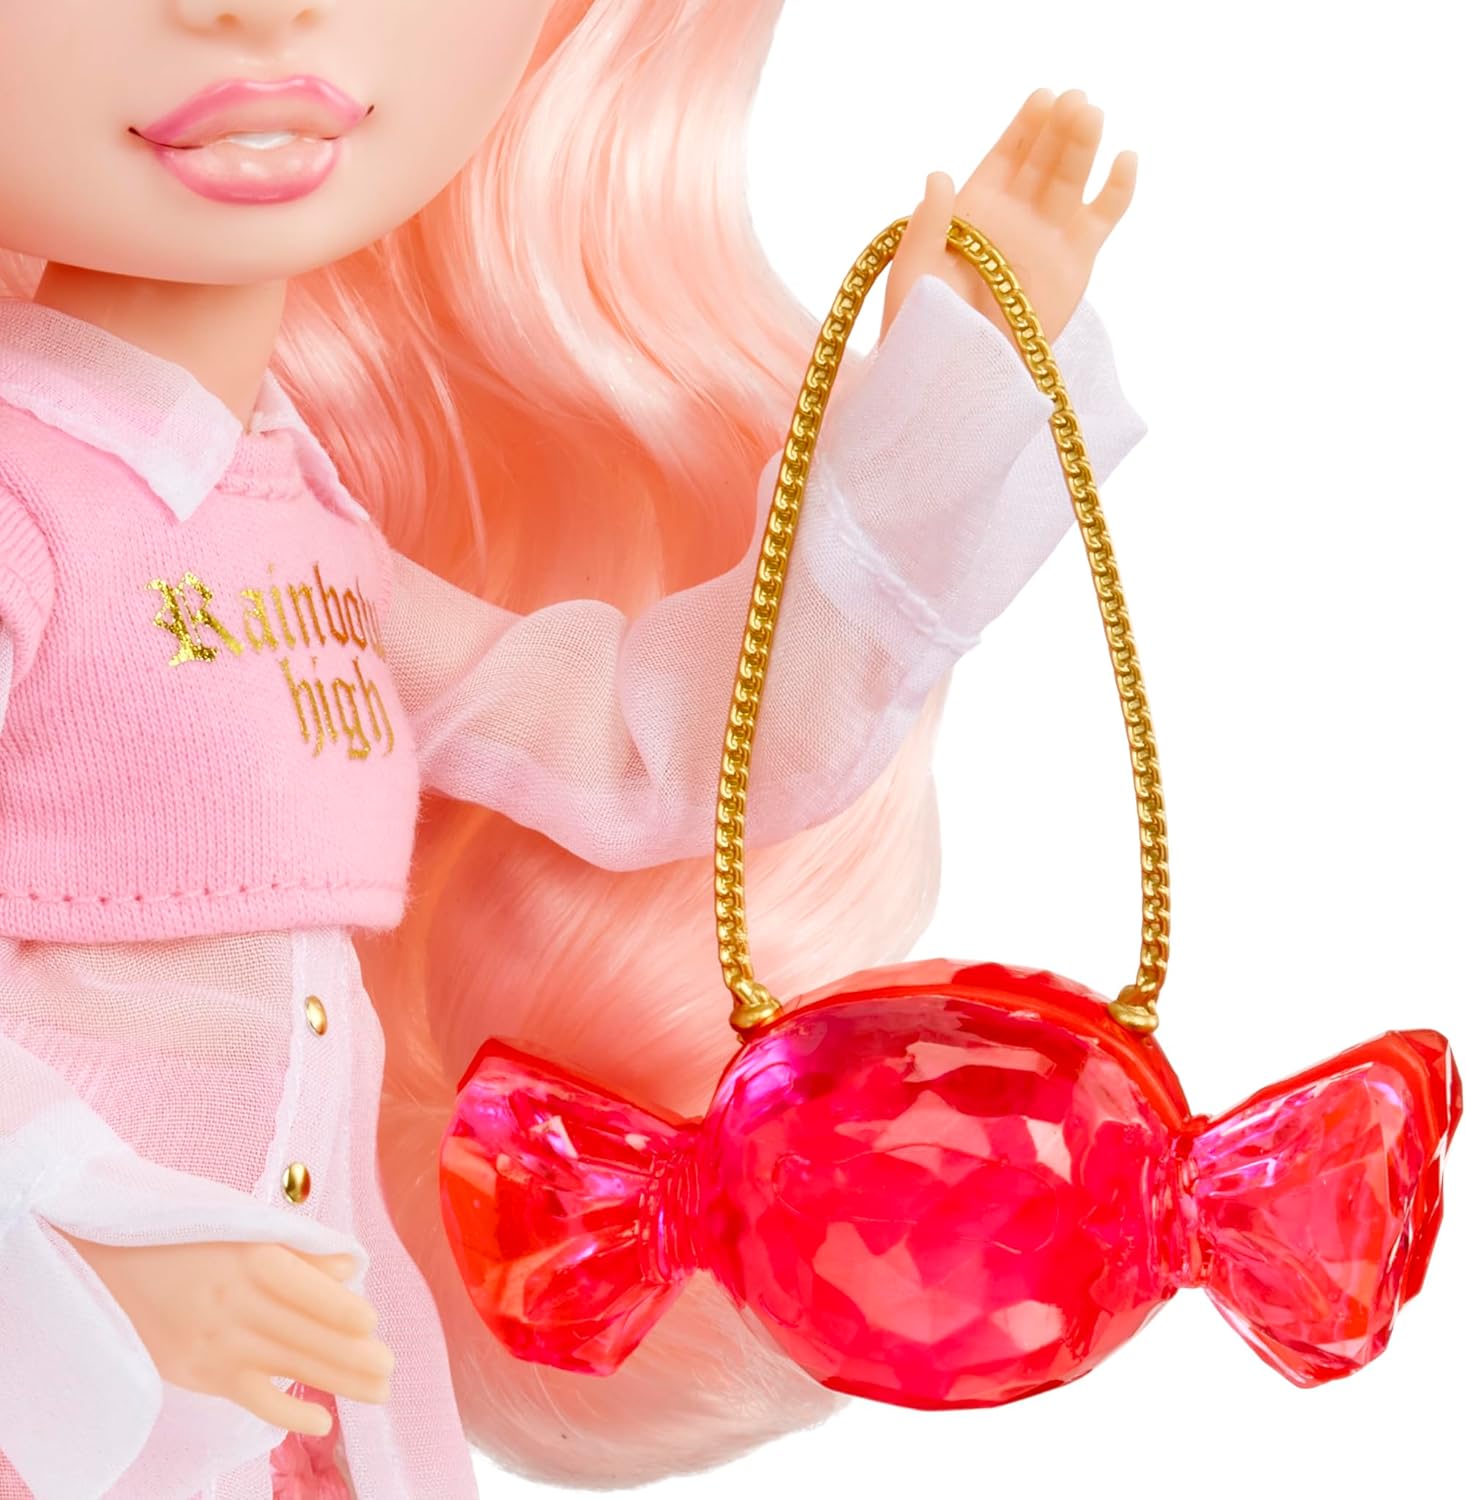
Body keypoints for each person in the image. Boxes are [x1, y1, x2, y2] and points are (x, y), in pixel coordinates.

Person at [0, 2, 1146, 1495]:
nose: (260, 12)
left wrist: (949, 397)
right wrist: (84, 1240)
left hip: (288, 1408)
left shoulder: (295, 516)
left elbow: (647, 749)